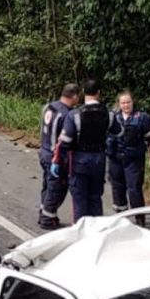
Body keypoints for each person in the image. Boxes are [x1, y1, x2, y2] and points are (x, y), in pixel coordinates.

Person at [51, 79, 123, 221]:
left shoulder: (75, 115)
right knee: (96, 197)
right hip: (99, 160)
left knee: (79, 199)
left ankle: (80, 233)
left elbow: (63, 142)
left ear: (83, 93)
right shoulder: (109, 114)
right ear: (99, 93)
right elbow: (119, 132)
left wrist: (57, 161)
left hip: (80, 161)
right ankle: (96, 233)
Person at [37, 84, 79, 229]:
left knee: (47, 185)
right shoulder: (67, 114)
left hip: (44, 151)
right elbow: (65, 139)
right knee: (56, 188)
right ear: (74, 96)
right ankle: (47, 218)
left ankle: (44, 213)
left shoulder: (49, 107)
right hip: (55, 156)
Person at [108, 90, 150, 212]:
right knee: (117, 189)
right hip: (116, 159)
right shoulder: (113, 117)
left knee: (134, 189)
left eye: (128, 102)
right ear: (119, 104)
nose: (126, 105)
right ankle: (121, 218)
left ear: (132, 102)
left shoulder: (142, 117)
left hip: (134, 160)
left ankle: (139, 219)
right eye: (123, 103)